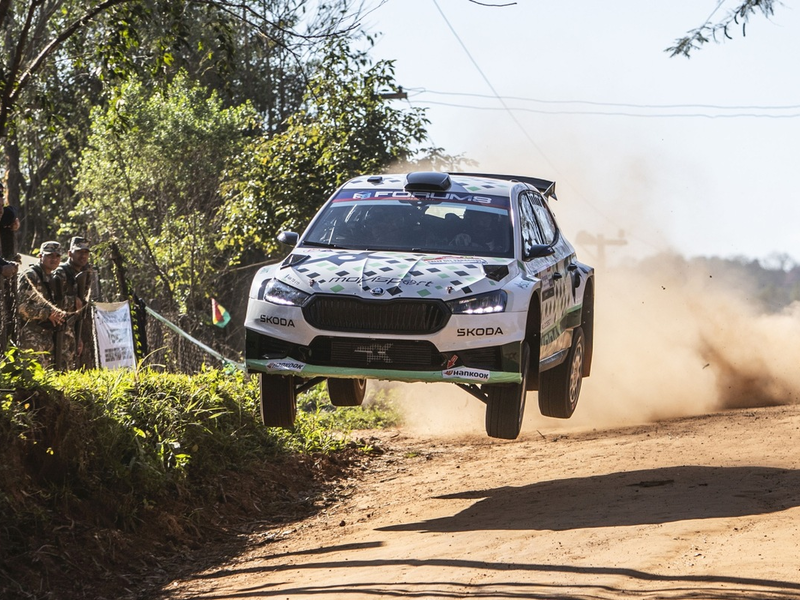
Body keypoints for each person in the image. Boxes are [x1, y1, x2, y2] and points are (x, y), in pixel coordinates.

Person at [16, 241, 67, 368]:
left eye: (57, 256)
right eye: (50, 255)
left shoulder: (54, 278)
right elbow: (21, 307)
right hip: (30, 336)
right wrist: (47, 314)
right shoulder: (30, 276)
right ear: (40, 256)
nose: (54, 259)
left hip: (47, 335)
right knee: (33, 377)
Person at [55, 237, 94, 370]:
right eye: (79, 252)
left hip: (72, 326)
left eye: (86, 252)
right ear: (70, 253)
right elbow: (53, 300)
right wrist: (72, 301)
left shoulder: (86, 273)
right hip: (56, 325)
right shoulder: (60, 272)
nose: (83, 256)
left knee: (70, 366)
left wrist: (79, 335)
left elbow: (82, 305)